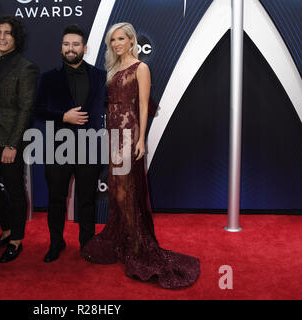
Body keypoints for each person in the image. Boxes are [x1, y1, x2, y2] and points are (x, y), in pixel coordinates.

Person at [80, 23, 200, 288]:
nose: (116, 44)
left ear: (132, 40)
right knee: (116, 190)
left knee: (126, 190)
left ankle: (137, 245)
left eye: (121, 39)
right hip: (112, 134)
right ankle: (124, 240)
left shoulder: (141, 68)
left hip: (128, 133)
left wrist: (141, 140)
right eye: (113, 40)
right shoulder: (112, 69)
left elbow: (143, 105)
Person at [35, 25, 107, 262]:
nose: (70, 48)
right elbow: (38, 110)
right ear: (61, 47)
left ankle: (87, 244)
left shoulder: (100, 76)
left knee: (87, 199)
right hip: (58, 149)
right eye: (66, 44)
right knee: (56, 199)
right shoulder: (48, 77)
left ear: (84, 48)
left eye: (75, 44)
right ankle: (56, 243)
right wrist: (63, 117)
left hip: (90, 148)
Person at [0, 16, 39, 263]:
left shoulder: (26, 67)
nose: (2, 37)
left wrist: (12, 144)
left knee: (15, 190)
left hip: (10, 140)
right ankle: (6, 230)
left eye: (8, 33)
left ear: (16, 37)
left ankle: (16, 240)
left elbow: (26, 109)